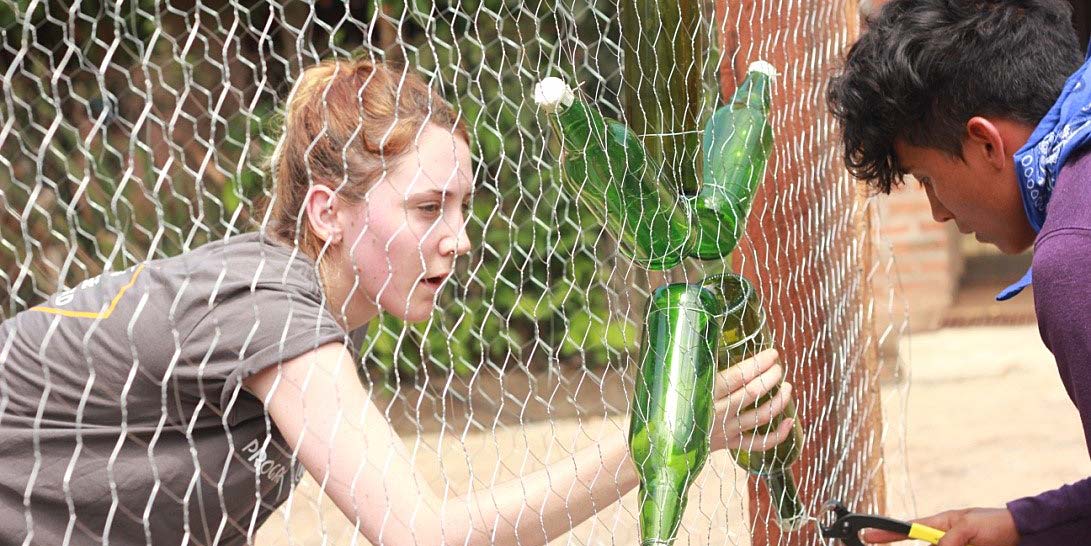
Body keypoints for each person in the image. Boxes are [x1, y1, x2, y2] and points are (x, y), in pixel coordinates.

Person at [0, 57, 798, 545]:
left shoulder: (297, 330)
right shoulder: (268, 303)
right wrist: (658, 440)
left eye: (463, 207)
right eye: (427, 209)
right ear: (326, 213)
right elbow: (424, 535)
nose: (458, 239)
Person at [828, 0, 1091, 544]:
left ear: (986, 143)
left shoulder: (1073, 262)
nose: (939, 213)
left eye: (926, 179)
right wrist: (1023, 524)